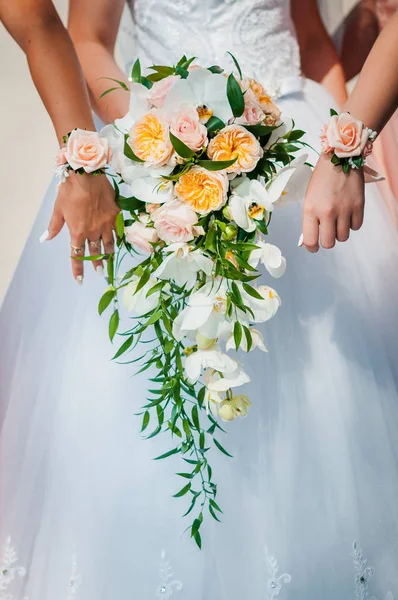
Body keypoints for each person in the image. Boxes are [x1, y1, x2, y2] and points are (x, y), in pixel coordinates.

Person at [1, 0, 398, 598]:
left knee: (321, 389)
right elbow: (86, 37)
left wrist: (342, 142)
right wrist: (150, 138)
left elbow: (310, 37)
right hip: (160, 133)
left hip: (288, 141)